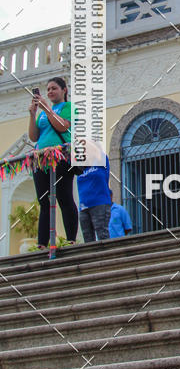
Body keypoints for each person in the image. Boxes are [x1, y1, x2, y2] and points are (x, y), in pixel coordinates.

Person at [27, 76, 78, 247]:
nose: (50, 92)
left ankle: (71, 238)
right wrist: (33, 114)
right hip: (41, 159)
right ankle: (42, 243)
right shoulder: (42, 113)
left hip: (61, 158)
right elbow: (34, 136)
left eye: (54, 88)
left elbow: (63, 126)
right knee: (44, 201)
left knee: (65, 198)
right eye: (48, 89)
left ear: (64, 90)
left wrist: (48, 109)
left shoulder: (69, 107)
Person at [77, 154, 112, 242]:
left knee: (102, 235)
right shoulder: (81, 165)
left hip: (100, 203)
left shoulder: (100, 159)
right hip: (83, 206)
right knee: (87, 239)